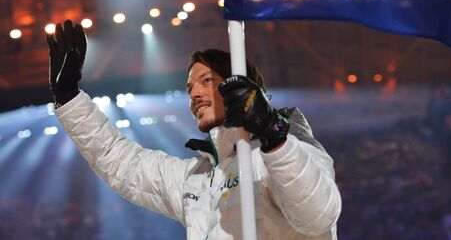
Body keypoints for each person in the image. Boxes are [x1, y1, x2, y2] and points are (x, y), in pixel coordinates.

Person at [47, 20, 342, 239]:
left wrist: (273, 135)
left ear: (237, 83)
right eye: (189, 88)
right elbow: (120, 161)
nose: (194, 94)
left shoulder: (286, 149)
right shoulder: (197, 179)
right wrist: (69, 99)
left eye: (206, 81)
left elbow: (317, 216)